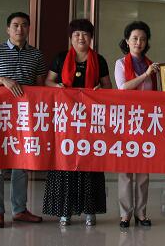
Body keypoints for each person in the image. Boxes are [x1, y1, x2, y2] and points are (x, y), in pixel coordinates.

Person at [0, 12, 47, 228]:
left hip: (24, 117)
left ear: (29, 29)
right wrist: (2, 80)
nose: (20, 29)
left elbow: (40, 87)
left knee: (21, 164)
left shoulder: (36, 55)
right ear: (8, 29)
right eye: (15, 25)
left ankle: (19, 210)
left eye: (24, 25)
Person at [42, 19, 112, 227]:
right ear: (71, 38)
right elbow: (48, 81)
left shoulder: (99, 60)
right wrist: (58, 87)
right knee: (65, 162)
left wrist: (100, 91)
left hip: (90, 121)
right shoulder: (61, 58)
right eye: (76, 35)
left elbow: (108, 87)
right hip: (66, 120)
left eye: (85, 34)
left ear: (91, 38)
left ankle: (90, 210)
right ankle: (65, 211)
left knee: (90, 162)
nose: (81, 38)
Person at [113, 21, 159, 229]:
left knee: (143, 171)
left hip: (146, 121)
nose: (138, 42)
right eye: (134, 38)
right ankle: (125, 214)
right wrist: (145, 75)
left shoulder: (152, 64)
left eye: (142, 39)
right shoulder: (121, 64)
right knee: (125, 171)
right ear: (127, 41)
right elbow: (123, 88)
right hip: (126, 121)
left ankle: (141, 213)